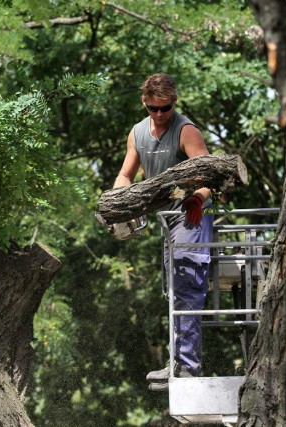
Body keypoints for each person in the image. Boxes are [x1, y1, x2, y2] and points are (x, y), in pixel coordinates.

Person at [113, 73, 213, 390]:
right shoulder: (138, 133)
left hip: (192, 216)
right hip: (167, 220)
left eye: (165, 108)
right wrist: (120, 200)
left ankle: (186, 369)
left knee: (187, 288)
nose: (159, 114)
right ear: (145, 102)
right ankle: (178, 364)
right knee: (172, 292)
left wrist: (197, 197)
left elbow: (211, 175)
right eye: (153, 108)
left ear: (174, 102)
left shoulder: (186, 131)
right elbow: (125, 175)